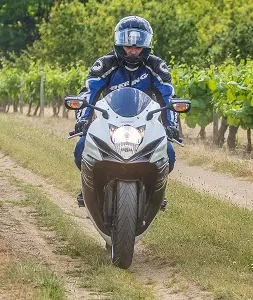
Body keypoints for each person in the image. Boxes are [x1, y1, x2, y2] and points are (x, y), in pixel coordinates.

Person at [72, 16, 180, 206]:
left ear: (146, 45)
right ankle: (90, 188)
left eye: (138, 47)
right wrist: (83, 120)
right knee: (81, 148)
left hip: (145, 122)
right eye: (128, 46)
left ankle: (154, 192)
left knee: (168, 153)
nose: (133, 51)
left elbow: (168, 96)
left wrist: (171, 125)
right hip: (108, 121)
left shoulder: (156, 66)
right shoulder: (105, 64)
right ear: (118, 43)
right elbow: (90, 92)